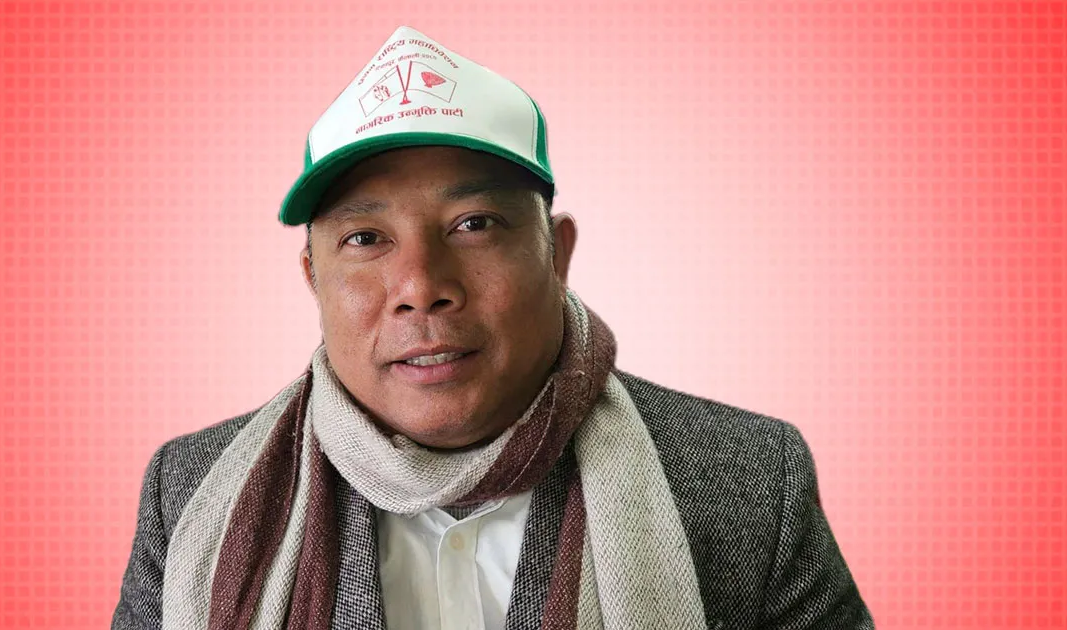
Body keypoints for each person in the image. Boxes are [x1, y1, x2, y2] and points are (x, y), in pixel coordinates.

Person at [112, 25, 874, 630]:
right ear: (314, 278)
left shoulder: (749, 485)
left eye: (473, 224)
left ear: (557, 254)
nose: (421, 288)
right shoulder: (192, 496)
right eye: (367, 238)